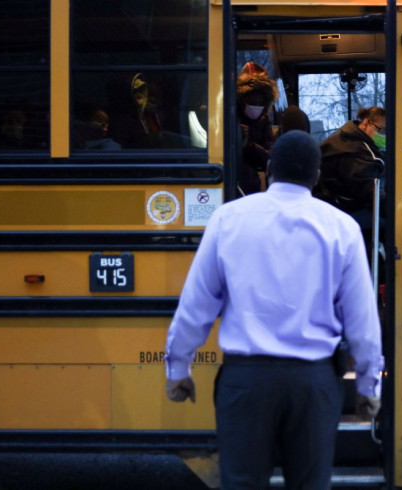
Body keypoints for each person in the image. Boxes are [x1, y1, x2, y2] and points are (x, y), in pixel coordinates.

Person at [164, 130, 383, 489]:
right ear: (316, 176)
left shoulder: (228, 219)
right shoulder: (342, 228)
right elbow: (361, 318)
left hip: (245, 383)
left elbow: (197, 304)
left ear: (269, 169)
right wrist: (367, 384)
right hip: (313, 385)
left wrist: (178, 367)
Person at [315, 106, 386, 236]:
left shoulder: (345, 135)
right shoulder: (358, 152)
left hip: (328, 205)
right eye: (381, 131)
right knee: (390, 222)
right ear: (366, 123)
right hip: (343, 210)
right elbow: (371, 195)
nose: (384, 136)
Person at [236, 61, 278, 195]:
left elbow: (269, 158)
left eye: (260, 102)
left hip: (252, 181)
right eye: (252, 101)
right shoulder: (230, 116)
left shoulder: (264, 120)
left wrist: (249, 145)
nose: (256, 105)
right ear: (241, 99)